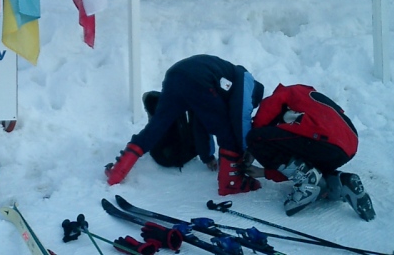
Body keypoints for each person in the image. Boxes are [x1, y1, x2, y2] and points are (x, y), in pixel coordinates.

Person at [105, 54, 265, 196]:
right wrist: (246, 149)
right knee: (227, 131)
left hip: (175, 75)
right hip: (200, 78)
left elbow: (201, 121)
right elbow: (240, 118)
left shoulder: (226, 82)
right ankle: (230, 184)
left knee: (156, 127)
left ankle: (117, 173)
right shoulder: (247, 82)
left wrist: (207, 156)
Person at [244, 83, 376, 221]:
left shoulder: (283, 94)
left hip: (324, 137)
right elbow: (295, 166)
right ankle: (341, 183)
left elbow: (261, 123)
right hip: (348, 145)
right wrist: (265, 173)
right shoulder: (308, 97)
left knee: (255, 138)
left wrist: (251, 149)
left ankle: (309, 181)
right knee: (307, 166)